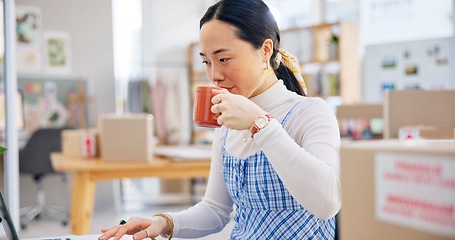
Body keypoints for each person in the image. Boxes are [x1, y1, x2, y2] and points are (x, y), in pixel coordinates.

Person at [98, 0, 340, 239]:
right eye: (206, 61)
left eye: (223, 59)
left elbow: (328, 203)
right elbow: (215, 210)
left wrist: (259, 123)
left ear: (265, 50)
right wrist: (164, 222)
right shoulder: (226, 126)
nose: (215, 75)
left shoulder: (309, 112)